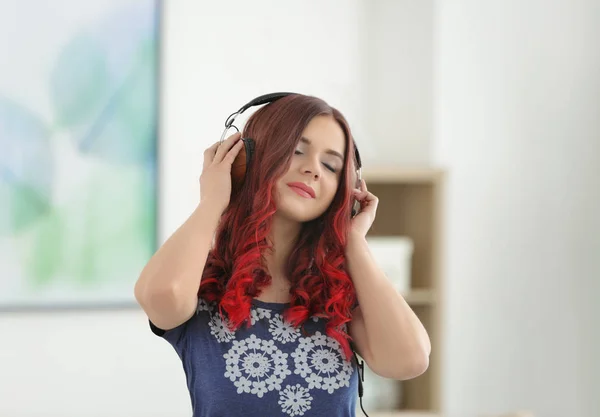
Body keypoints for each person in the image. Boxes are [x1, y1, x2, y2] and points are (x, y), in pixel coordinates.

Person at [134, 93, 431, 417]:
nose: (313, 170)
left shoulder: (339, 298)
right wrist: (213, 200)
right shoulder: (201, 286)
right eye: (297, 151)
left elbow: (411, 359)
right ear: (246, 160)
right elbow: (162, 296)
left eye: (331, 165)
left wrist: (354, 242)